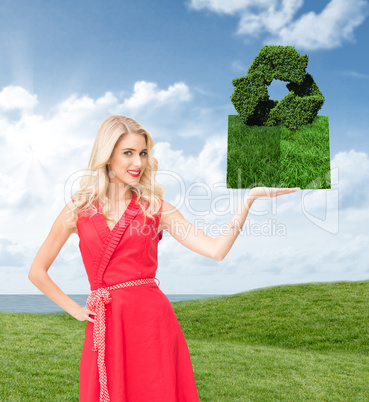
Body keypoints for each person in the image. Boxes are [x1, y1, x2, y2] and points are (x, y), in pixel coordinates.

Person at [28, 115, 299, 401]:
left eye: (143, 153)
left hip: (152, 325)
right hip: (107, 323)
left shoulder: (156, 209)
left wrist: (249, 200)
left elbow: (216, 250)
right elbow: (37, 271)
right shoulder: (77, 210)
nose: (138, 163)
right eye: (128, 153)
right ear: (107, 156)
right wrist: (75, 309)